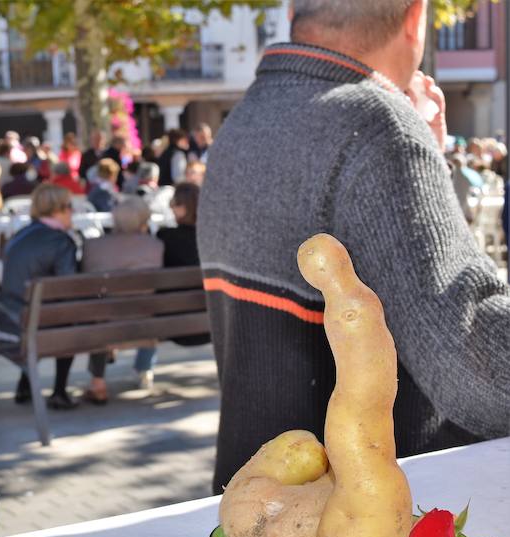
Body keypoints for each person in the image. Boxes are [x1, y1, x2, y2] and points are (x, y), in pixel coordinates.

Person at [198, 0, 510, 495]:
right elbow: (479, 378)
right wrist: (412, 152)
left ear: (294, 15)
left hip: (258, 500)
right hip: (364, 522)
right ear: (416, 18)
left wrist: (425, 165)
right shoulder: (377, 129)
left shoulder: (243, 119)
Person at [0, 183, 79, 410]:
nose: (73, 212)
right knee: (68, 317)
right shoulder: (61, 242)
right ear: (58, 209)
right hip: (34, 323)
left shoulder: (19, 236)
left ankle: (25, 383)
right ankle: (59, 390)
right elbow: (68, 288)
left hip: (5, 318)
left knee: (44, 312)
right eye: (70, 206)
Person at [80, 197, 164, 401]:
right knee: (147, 305)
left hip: (106, 322)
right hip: (145, 322)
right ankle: (144, 369)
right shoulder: (156, 246)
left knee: (99, 311)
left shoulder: (93, 246)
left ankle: (98, 382)